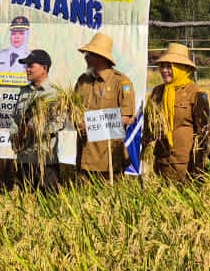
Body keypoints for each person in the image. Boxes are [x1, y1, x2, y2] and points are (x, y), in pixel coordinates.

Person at [73, 31, 135, 179]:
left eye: (89, 54)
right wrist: (76, 120)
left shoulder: (121, 82)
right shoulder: (83, 81)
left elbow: (126, 118)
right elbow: (74, 110)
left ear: (99, 57)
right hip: (84, 154)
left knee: (108, 192)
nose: (85, 57)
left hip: (108, 157)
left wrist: (92, 126)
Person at [147, 42, 209, 181]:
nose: (164, 70)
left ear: (181, 68)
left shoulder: (195, 92)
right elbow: (149, 125)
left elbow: (202, 131)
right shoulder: (158, 92)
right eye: (162, 66)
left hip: (185, 163)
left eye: (169, 66)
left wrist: (198, 163)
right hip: (162, 160)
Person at [11, 49, 63, 191]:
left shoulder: (54, 93)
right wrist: (14, 136)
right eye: (26, 66)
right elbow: (15, 118)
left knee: (49, 200)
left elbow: (58, 123)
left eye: (31, 66)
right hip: (23, 159)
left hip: (45, 160)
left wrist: (34, 129)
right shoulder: (24, 91)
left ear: (44, 68)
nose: (27, 69)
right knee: (23, 200)